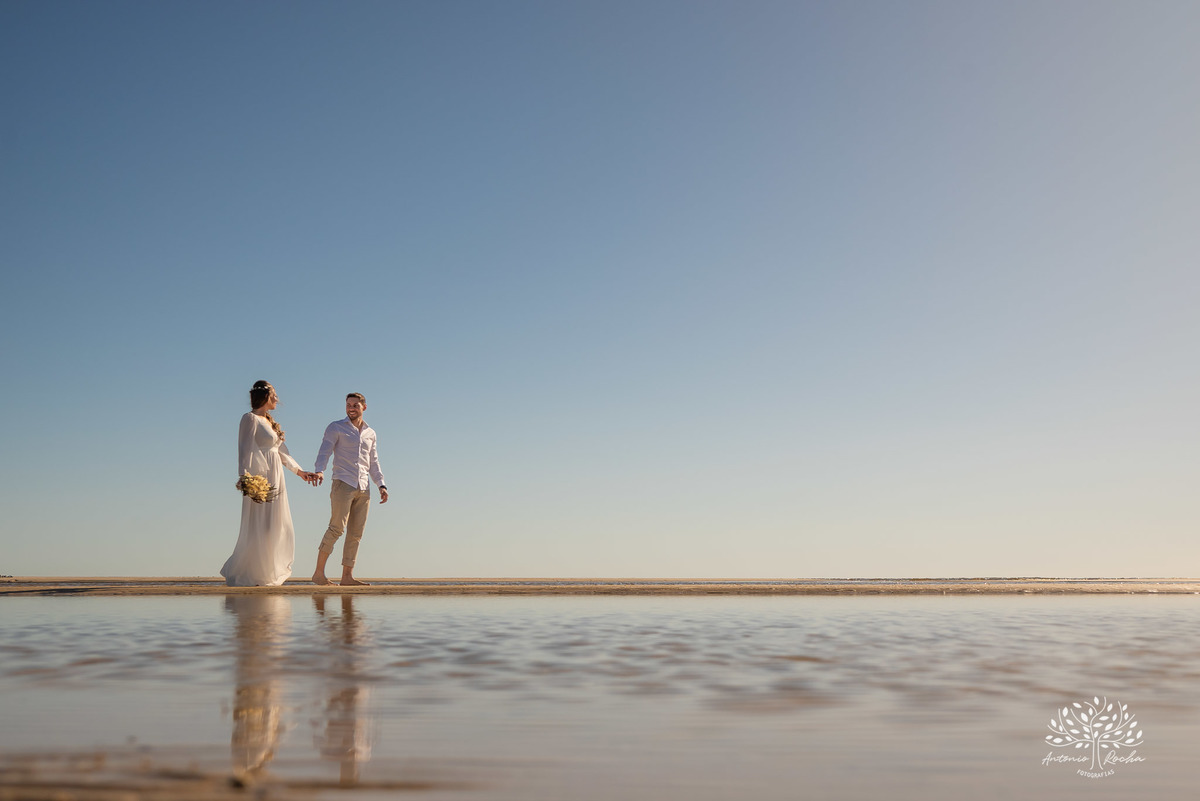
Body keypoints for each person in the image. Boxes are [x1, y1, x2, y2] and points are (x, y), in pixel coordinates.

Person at [221, 381, 319, 587]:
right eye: (274, 394)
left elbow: (282, 453)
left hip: (277, 476)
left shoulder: (268, 421)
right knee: (261, 524)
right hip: (261, 478)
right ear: (265, 396)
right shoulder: (250, 419)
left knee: (277, 524)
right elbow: (244, 449)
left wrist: (300, 472)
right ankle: (253, 573)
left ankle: (268, 572)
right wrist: (246, 479)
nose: (277, 399)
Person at [309, 392, 388, 586]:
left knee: (355, 534)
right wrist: (319, 471)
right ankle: (319, 574)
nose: (351, 408)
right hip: (342, 483)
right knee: (336, 528)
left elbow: (373, 462)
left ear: (364, 407)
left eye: (355, 405)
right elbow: (325, 450)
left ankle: (347, 577)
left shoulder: (371, 433)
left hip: (364, 487)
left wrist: (381, 485)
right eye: (348, 405)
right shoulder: (335, 427)